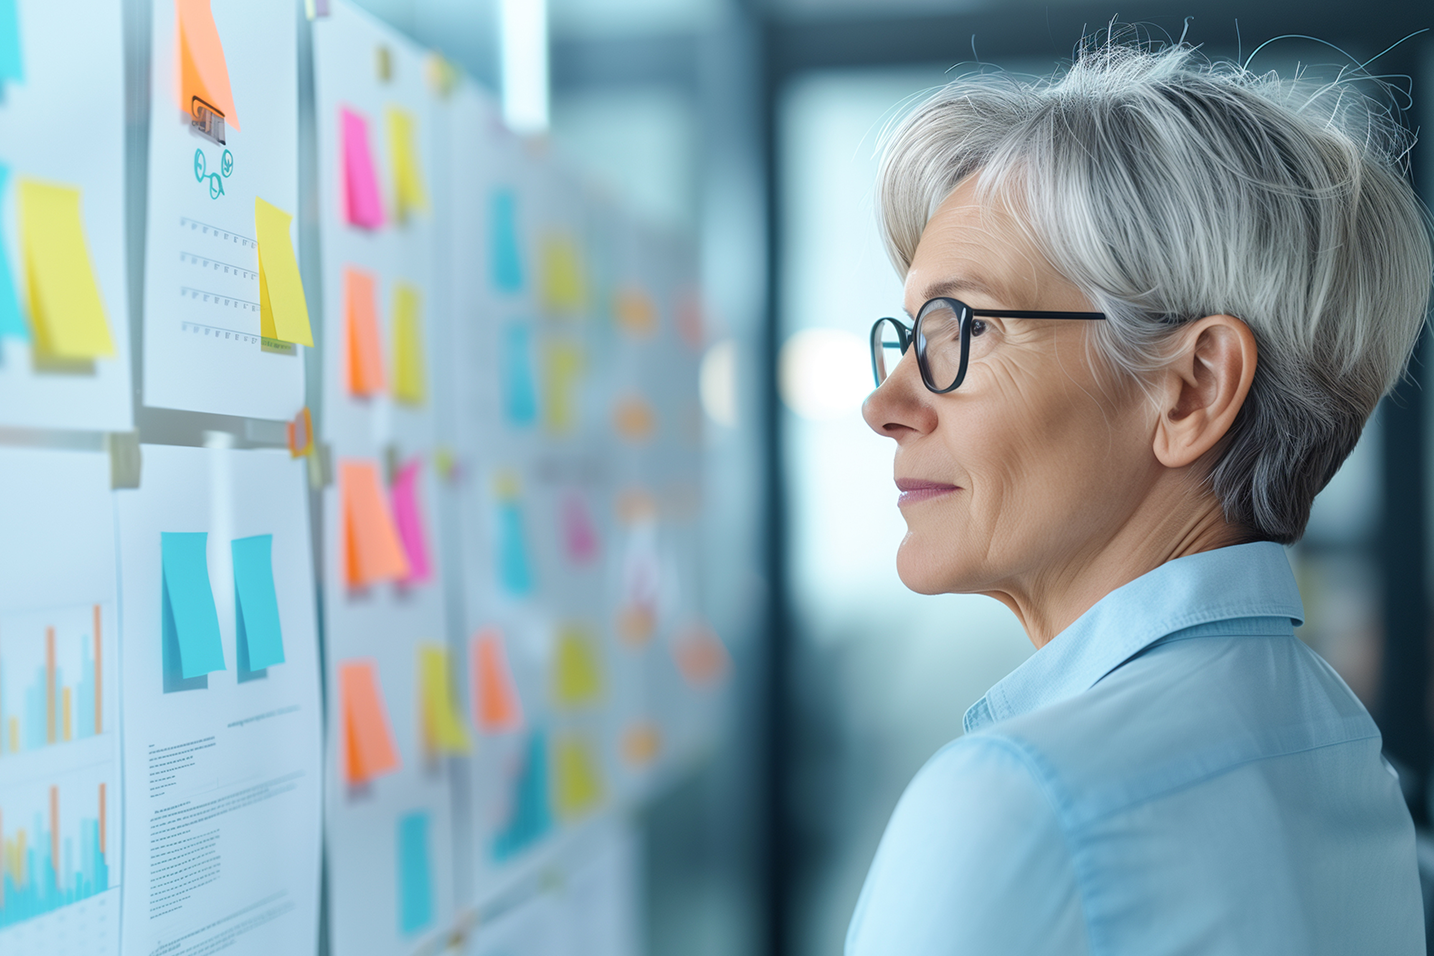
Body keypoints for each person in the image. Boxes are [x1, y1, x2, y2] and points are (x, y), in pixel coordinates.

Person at [851, 38, 1433, 955]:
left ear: (1191, 389)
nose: (884, 406)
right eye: (907, 337)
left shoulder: (1019, 801)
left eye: (958, 331)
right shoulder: (1341, 750)